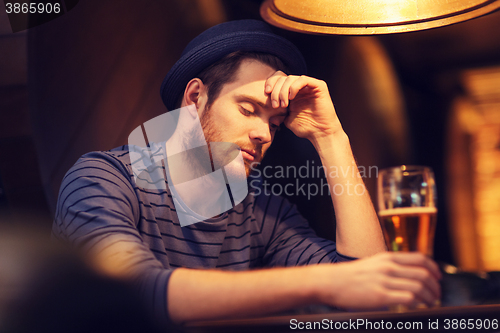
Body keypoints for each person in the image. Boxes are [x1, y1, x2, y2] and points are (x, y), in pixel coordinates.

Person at [52, 20, 441, 327]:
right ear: (194, 99)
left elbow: (366, 287)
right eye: (248, 109)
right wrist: (327, 282)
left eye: (275, 122)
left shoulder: (262, 210)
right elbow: (134, 294)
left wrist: (330, 138)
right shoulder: (102, 178)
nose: (263, 134)